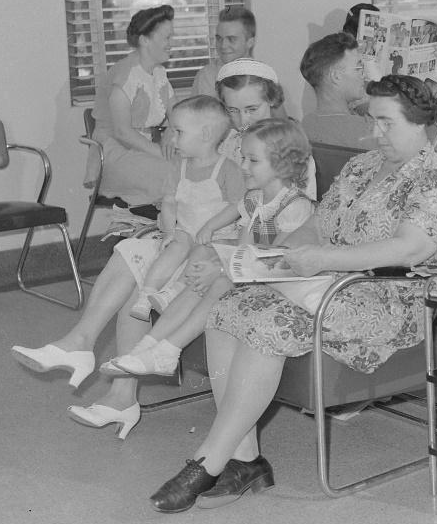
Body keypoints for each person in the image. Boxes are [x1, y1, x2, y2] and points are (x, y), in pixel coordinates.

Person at [146, 74, 437, 513]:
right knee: (225, 306)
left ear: (420, 123)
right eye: (373, 121)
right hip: (321, 282)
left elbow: (409, 248)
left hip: (384, 299)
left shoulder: (435, 180)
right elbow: (316, 224)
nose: (375, 133)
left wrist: (321, 261)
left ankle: (208, 460)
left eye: (386, 123)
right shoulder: (362, 167)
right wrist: (281, 256)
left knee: (265, 321)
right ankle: (244, 460)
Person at [8, 61, 292, 436]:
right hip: (197, 237)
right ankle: (82, 344)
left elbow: (287, 221)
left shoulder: (288, 147)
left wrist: (223, 252)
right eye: (233, 110)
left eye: (251, 109)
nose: (241, 119)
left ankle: (120, 393)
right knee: (133, 255)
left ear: (273, 103)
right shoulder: (224, 139)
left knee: (148, 271)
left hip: (241, 250)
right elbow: (183, 188)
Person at [102, 117, 317, 378]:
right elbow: (244, 250)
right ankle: (145, 348)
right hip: (254, 270)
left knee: (217, 283)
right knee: (198, 283)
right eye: (243, 158)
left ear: (283, 165)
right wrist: (220, 264)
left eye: (253, 160)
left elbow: (275, 261)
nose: (244, 167)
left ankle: (169, 349)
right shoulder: (254, 199)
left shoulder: (295, 206)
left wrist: (221, 269)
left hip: (283, 278)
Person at [128, 96, 243, 322]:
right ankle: (146, 294)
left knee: (201, 253)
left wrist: (211, 227)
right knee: (174, 248)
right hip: (186, 228)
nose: (173, 139)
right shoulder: (177, 167)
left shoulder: (227, 168)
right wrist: (170, 231)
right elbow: (169, 201)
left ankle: (174, 291)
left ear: (206, 135)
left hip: (218, 234)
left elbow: (237, 206)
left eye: (179, 132)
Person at [88, 4, 178, 214]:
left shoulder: (158, 73)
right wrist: (159, 151)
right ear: (144, 40)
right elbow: (122, 132)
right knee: (171, 172)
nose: (171, 44)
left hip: (143, 149)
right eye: (166, 38)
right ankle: (154, 236)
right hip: (115, 153)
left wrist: (172, 133)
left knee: (192, 166)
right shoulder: (126, 75)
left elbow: (178, 116)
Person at [299, 31, 372, 148]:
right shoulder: (365, 130)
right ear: (336, 76)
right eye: (358, 68)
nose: (364, 75)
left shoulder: (306, 125)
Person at [190, 6, 257, 99]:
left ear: (250, 42)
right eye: (219, 38)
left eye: (231, 39)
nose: (223, 45)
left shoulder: (263, 77)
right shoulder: (206, 77)